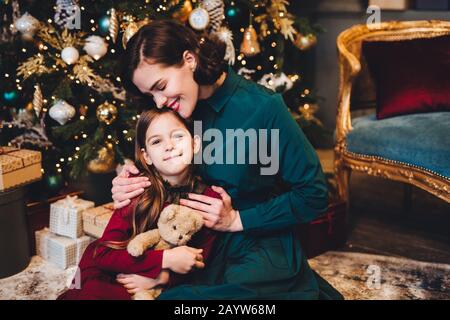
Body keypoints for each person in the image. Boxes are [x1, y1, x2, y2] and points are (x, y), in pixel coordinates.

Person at [112, 19, 343, 299]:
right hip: (193, 241)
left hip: (254, 241)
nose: (158, 102)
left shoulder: (263, 108)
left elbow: (314, 194)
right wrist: (129, 184)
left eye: (160, 86)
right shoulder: (172, 111)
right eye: (150, 94)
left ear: (189, 60)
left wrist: (237, 220)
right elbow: (158, 163)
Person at [58, 108, 221, 300]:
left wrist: (162, 278)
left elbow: (199, 262)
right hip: (118, 267)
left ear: (194, 144)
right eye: (157, 141)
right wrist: (164, 260)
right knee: (92, 290)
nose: (169, 145)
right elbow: (102, 254)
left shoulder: (208, 199)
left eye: (177, 136)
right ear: (147, 157)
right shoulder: (136, 189)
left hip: (159, 284)